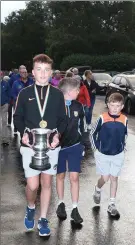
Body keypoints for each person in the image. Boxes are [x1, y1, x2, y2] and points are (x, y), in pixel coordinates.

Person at [13, 54, 67, 237]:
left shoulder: (58, 94)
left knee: (46, 182)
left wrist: (57, 136)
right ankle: (30, 207)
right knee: (33, 185)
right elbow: (17, 118)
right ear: (33, 72)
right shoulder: (25, 93)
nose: (42, 74)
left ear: (51, 72)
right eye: (39, 69)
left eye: (46, 70)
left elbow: (63, 120)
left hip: (51, 145)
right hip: (30, 145)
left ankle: (43, 218)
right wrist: (24, 134)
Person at [90, 93, 127, 218]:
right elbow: (92, 134)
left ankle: (112, 204)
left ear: (122, 106)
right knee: (105, 178)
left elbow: (125, 135)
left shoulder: (124, 119)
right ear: (108, 105)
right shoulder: (102, 118)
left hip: (118, 154)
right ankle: (98, 188)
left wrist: (123, 148)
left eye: (118, 106)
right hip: (103, 154)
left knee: (114, 178)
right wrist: (96, 150)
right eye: (112, 105)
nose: (115, 108)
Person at [55, 77, 84, 224]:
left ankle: (75, 208)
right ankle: (60, 203)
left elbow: (83, 127)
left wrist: (83, 145)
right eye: (77, 89)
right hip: (58, 149)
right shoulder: (56, 106)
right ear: (69, 91)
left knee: (74, 177)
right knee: (60, 176)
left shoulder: (78, 106)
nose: (79, 91)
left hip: (74, 146)